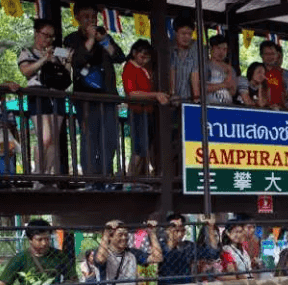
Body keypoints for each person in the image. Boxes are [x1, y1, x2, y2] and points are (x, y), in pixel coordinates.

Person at [64, 1, 126, 188]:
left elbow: (119, 57)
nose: (90, 20)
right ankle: (92, 179)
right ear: (77, 18)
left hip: (108, 97)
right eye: (86, 17)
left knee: (110, 139)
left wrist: (104, 41)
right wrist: (90, 40)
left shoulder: (104, 36)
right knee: (89, 138)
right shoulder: (71, 39)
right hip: (85, 98)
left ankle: (106, 177)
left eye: (93, 17)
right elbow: (76, 61)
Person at [18, 19, 68, 183]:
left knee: (54, 138)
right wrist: (44, 59)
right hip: (38, 94)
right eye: (45, 35)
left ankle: (49, 177)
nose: (48, 40)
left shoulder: (57, 52)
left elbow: (68, 71)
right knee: (44, 138)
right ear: (36, 33)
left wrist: (67, 62)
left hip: (57, 95)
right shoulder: (26, 52)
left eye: (51, 37)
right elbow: (26, 71)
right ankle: (38, 175)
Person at [122, 39, 169, 177]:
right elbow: (132, 93)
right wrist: (155, 95)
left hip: (148, 112)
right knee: (139, 149)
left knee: (146, 148)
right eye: (142, 56)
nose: (144, 60)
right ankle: (131, 179)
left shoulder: (144, 69)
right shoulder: (129, 68)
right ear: (134, 53)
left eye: (147, 57)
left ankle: (140, 178)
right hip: (138, 111)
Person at [0, 219, 77, 285]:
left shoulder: (59, 255)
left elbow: (73, 279)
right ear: (30, 240)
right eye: (40, 239)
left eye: (47, 239)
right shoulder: (20, 258)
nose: (44, 243)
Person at [94, 219, 163, 285]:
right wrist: (106, 233)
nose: (124, 238)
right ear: (110, 237)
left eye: (126, 234)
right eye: (120, 235)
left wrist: (152, 234)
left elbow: (157, 258)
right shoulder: (102, 252)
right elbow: (101, 259)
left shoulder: (133, 253)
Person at [169, 16, 199, 102]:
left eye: (189, 34)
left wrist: (196, 98)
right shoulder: (169, 49)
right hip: (170, 100)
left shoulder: (195, 50)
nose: (187, 37)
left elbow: (195, 74)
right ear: (175, 33)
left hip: (188, 99)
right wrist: (172, 94)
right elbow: (171, 71)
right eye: (183, 33)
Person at [205, 34, 237, 105]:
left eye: (224, 49)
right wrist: (223, 85)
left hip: (227, 106)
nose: (221, 52)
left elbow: (233, 92)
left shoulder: (230, 69)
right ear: (211, 48)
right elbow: (202, 88)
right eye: (218, 48)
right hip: (210, 106)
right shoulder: (205, 66)